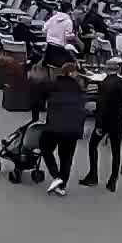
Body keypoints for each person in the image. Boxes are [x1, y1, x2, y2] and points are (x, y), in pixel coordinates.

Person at [40, 63, 87, 195]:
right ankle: (62, 185)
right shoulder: (79, 87)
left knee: (45, 147)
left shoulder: (53, 84)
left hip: (55, 126)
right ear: (73, 73)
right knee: (66, 157)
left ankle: (56, 176)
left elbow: (41, 96)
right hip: (73, 128)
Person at [82, 69, 122, 191]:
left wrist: (99, 124)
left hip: (105, 121)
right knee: (116, 151)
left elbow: (101, 105)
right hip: (118, 120)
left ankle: (93, 175)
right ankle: (113, 180)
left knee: (93, 145)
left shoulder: (104, 83)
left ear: (107, 71)